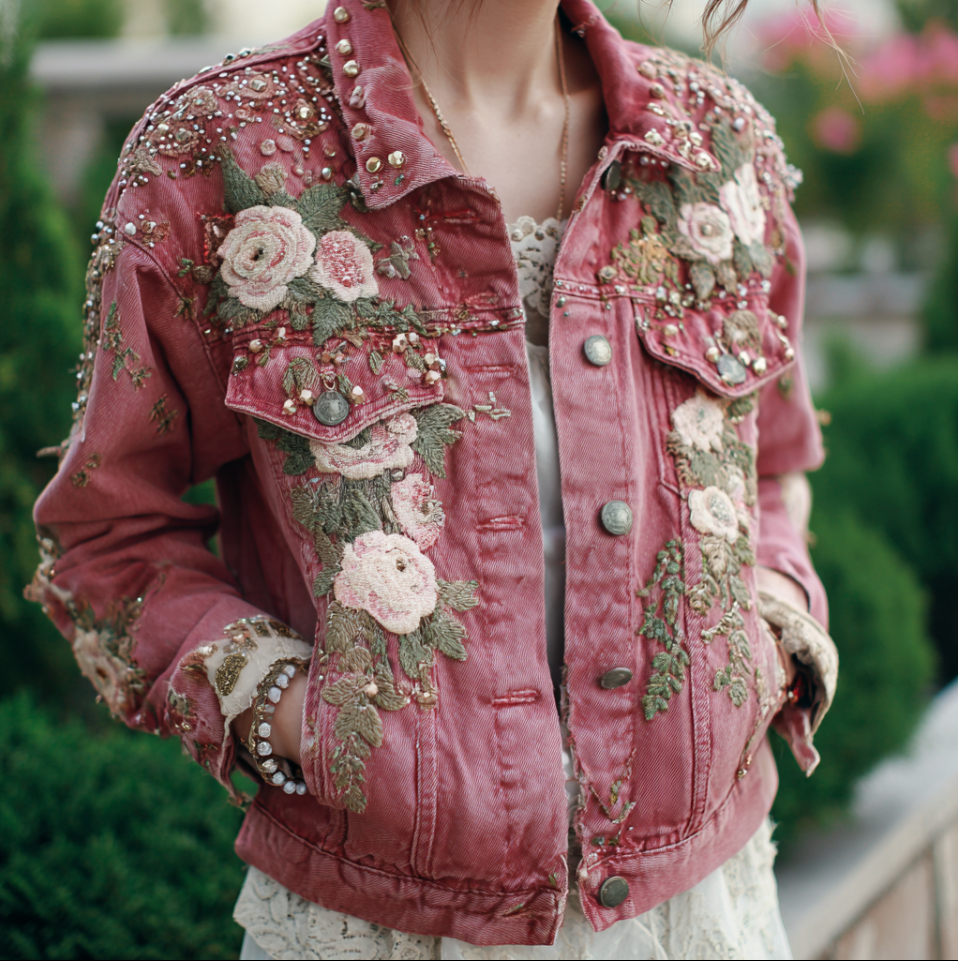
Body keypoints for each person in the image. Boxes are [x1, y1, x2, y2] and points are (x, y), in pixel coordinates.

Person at [28, 0, 839, 957]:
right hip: (380, 923)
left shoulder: (718, 140)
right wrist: (297, 713)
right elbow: (108, 535)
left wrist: (770, 636)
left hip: (704, 910)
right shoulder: (217, 157)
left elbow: (772, 462)